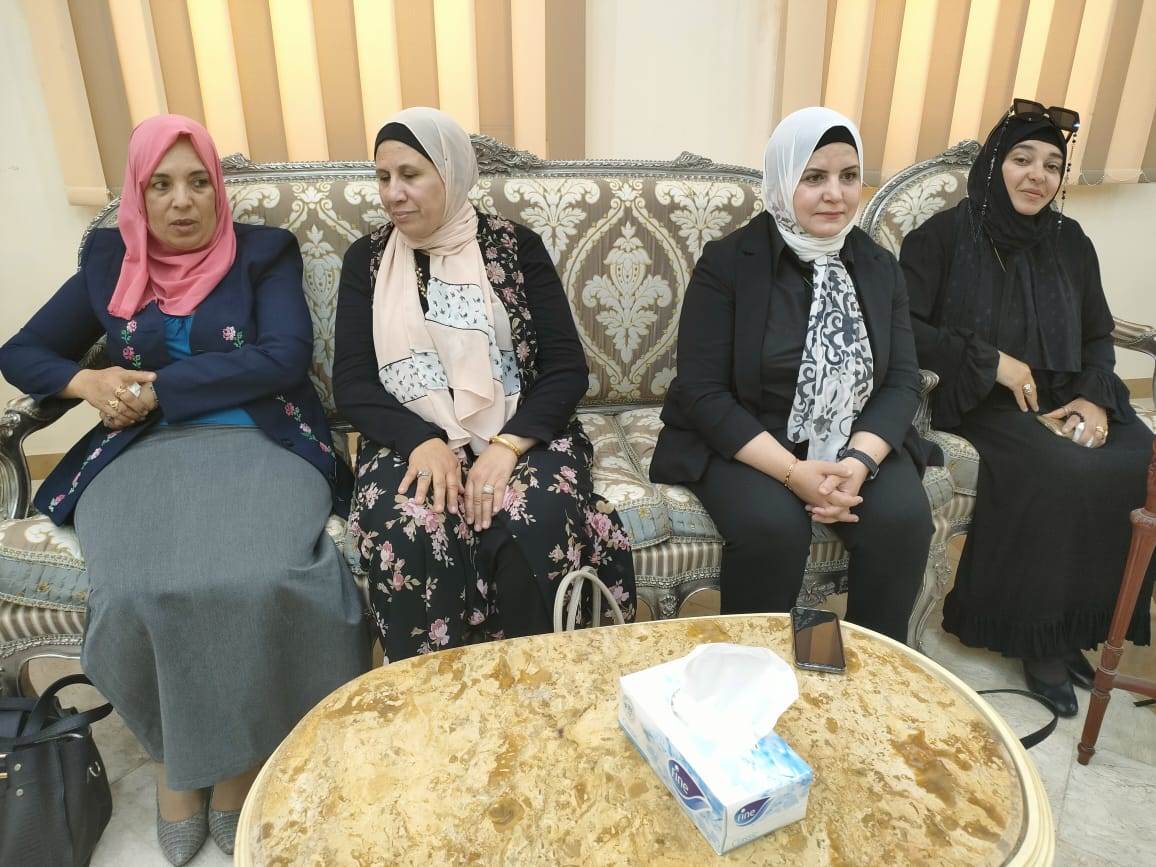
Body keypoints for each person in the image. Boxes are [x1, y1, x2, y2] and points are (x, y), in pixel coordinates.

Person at [0, 115, 369, 864]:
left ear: (217, 190)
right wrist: (88, 381)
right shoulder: (110, 258)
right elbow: (22, 350)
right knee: (137, 589)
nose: (182, 201)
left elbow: (283, 356)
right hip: (141, 454)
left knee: (259, 575)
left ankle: (236, 769)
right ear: (138, 194)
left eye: (199, 182)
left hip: (260, 441)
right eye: (161, 185)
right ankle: (175, 763)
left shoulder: (263, 252)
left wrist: (161, 388)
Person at [333, 107, 635, 661]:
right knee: (410, 526)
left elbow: (565, 367)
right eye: (383, 177)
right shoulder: (367, 261)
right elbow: (352, 382)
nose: (394, 193)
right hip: (408, 436)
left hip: (519, 429)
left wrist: (506, 446)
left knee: (531, 519)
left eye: (410, 174)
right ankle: (432, 696)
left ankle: (535, 687)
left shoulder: (516, 247)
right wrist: (421, 442)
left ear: (451, 173)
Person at [900, 100, 1155, 716]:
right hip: (980, 401)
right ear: (995, 164)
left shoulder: (1071, 242)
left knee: (1139, 460)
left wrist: (1093, 400)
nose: (1037, 175)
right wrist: (993, 362)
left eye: (1051, 165)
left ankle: (1076, 629)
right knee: (1059, 470)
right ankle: (1034, 637)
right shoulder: (940, 238)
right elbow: (903, 327)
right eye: (1022, 159)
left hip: (1068, 393)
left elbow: (1096, 334)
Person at [650, 107, 934, 643]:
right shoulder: (728, 263)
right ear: (783, 181)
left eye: (849, 176)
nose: (835, 195)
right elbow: (703, 391)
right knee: (772, 528)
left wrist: (858, 462)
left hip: (854, 433)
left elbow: (901, 380)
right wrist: (792, 472)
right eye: (814, 177)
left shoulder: (878, 266)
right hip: (752, 435)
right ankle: (757, 669)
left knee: (903, 520)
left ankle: (872, 671)